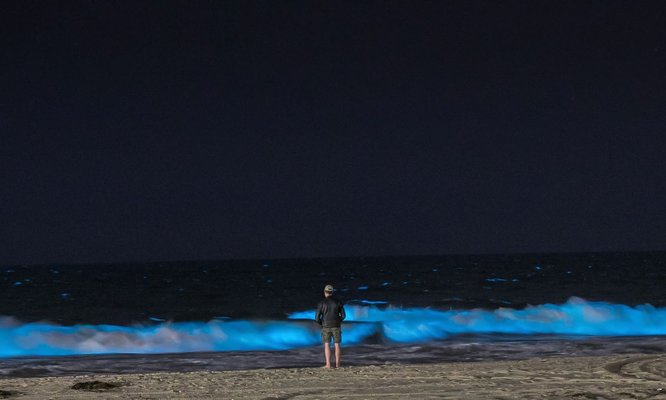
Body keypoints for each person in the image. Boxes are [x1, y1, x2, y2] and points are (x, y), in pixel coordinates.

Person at [315, 284, 346, 368]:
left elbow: (317, 318)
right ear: (332, 292)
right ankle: (338, 364)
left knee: (327, 345)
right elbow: (343, 316)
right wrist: (338, 321)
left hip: (326, 326)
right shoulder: (338, 302)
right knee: (337, 344)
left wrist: (322, 323)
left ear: (325, 292)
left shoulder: (321, 303)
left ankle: (328, 364)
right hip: (336, 325)